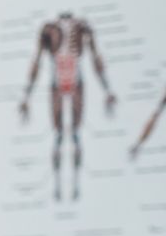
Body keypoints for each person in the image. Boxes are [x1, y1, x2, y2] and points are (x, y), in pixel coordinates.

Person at [19, 11, 117, 200]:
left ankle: (76, 186)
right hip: (58, 83)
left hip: (76, 82)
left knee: (75, 135)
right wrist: (26, 96)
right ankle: (57, 186)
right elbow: (37, 62)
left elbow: (96, 58)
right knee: (58, 136)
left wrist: (107, 90)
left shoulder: (82, 27)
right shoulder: (49, 30)